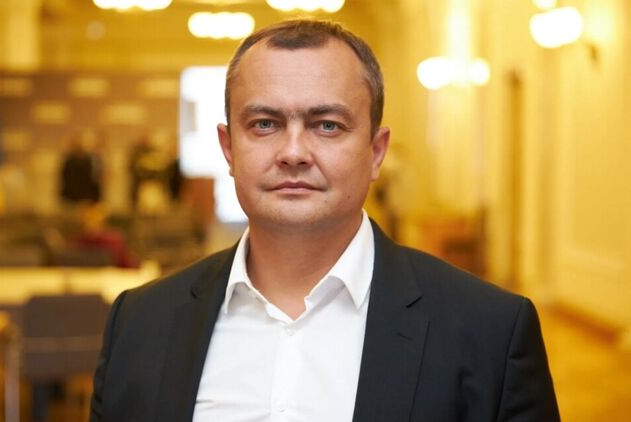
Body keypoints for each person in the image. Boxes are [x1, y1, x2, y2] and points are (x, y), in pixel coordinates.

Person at [90, 19, 559, 422]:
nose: (293, 153)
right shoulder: (139, 323)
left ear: (376, 152)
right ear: (229, 149)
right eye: (265, 124)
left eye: (327, 125)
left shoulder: (491, 332)